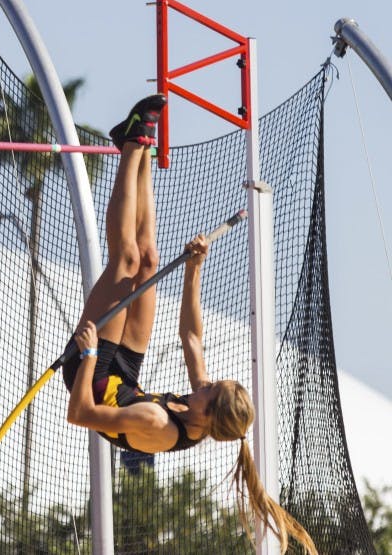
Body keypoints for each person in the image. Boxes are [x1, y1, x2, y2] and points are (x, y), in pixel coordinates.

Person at [61, 94, 316, 554]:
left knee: (126, 260)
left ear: (209, 410)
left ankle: (135, 146)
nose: (204, 382)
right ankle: (135, 143)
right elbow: (191, 337)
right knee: (152, 260)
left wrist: (90, 355)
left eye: (210, 388)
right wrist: (196, 267)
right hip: (124, 375)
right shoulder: (200, 411)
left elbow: (79, 415)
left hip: (91, 373)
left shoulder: (158, 423)